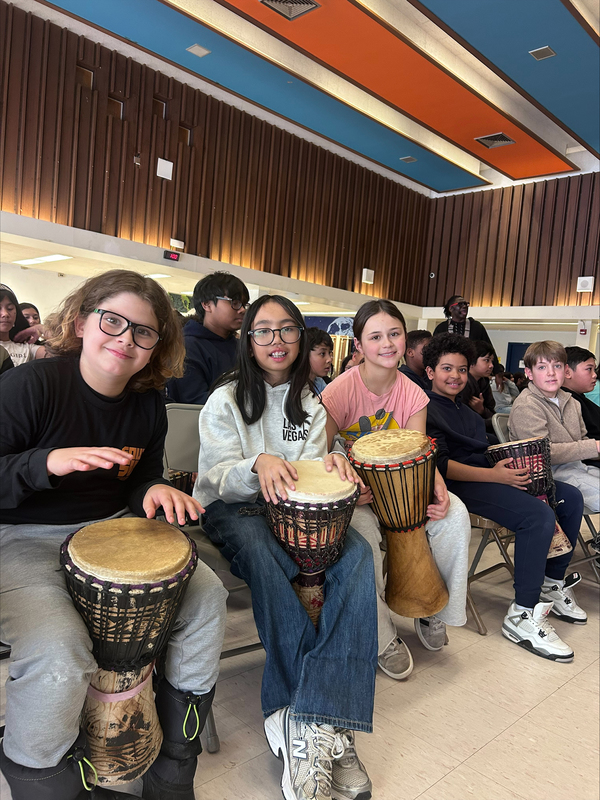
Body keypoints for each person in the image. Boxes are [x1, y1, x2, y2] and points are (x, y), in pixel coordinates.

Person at [0, 270, 228, 800]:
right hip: (20, 537)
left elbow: (139, 479)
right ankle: (45, 779)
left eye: (143, 332)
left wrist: (152, 493)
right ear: (81, 322)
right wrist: (45, 463)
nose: (125, 338)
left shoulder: (148, 403)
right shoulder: (30, 386)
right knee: (60, 651)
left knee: (207, 599)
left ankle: (174, 767)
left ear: (156, 347)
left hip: (112, 533)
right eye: (112, 321)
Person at [195, 295, 377, 800]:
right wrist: (257, 464)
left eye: (288, 330)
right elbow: (212, 476)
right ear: (247, 340)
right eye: (263, 331)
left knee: (358, 554)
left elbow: (314, 470)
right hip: (235, 509)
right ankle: (304, 717)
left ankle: (311, 720)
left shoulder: (312, 402)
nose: (276, 341)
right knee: (267, 555)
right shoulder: (225, 399)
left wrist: (336, 464)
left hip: (295, 513)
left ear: (301, 337)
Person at [322, 300, 471, 679]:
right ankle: (381, 635)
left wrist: (435, 484)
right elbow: (319, 455)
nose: (387, 344)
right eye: (375, 336)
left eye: (394, 334)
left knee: (453, 514)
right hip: (357, 495)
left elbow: (418, 451)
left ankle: (430, 607)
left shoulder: (413, 392)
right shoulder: (339, 392)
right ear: (359, 345)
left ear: (405, 338)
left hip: (403, 491)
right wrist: (350, 487)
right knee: (365, 538)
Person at [423, 334, 586, 662]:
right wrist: (496, 476)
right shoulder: (424, 408)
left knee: (568, 496)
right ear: (429, 372)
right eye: (446, 369)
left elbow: (483, 452)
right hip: (454, 486)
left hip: (487, 477)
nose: (455, 375)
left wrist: (507, 466)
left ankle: (550, 582)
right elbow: (439, 464)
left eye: (462, 369)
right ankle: (521, 615)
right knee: (536, 516)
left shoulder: (468, 413)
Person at [509, 341, 599, 515]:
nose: (551, 373)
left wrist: (594, 448)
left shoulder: (571, 401)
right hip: (545, 477)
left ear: (564, 370)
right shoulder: (526, 405)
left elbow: (582, 442)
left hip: (576, 467)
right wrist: (594, 446)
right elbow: (541, 454)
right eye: (542, 367)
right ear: (529, 373)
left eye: (556, 366)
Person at [166, 271, 249, 405]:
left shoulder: (241, 346)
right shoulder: (187, 346)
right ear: (206, 304)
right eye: (235, 302)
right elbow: (194, 402)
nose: (242, 310)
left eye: (244, 304)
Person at [0, 284, 46, 365]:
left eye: (10, 308)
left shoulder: (27, 348)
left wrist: (43, 329)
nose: (5, 314)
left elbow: (63, 356)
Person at [563, 347, 599, 441]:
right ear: (567, 372)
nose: (595, 375)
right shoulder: (567, 402)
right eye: (589, 369)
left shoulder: (579, 397)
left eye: (594, 370)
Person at [306, 326, 333, 395]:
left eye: (329, 353)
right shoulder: (290, 386)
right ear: (305, 354)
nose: (329, 359)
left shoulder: (320, 383)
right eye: (322, 354)